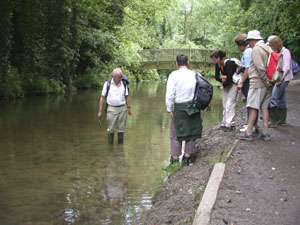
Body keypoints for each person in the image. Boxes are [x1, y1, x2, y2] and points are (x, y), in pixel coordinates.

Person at [236, 30, 273, 142]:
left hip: (258, 82)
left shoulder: (256, 49)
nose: (249, 44)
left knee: (253, 107)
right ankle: (265, 132)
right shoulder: (267, 48)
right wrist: (269, 82)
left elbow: (260, 67)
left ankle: (248, 132)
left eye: (249, 41)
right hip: (267, 83)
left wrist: (265, 81)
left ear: (252, 40)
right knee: (265, 107)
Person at [165, 54, 202, 166]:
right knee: (192, 133)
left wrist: (169, 108)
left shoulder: (173, 75)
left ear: (176, 63)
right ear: (188, 62)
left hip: (180, 108)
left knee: (176, 134)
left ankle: (175, 159)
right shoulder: (196, 75)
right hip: (194, 107)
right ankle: (187, 157)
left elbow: (170, 94)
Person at [97, 68, 132, 144]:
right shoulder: (107, 84)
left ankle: (120, 147)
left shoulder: (124, 83)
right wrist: (100, 111)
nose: (121, 78)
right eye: (120, 77)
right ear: (114, 77)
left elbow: (127, 96)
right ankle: (110, 148)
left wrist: (129, 108)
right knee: (111, 129)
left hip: (122, 108)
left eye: (121, 76)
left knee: (121, 129)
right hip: (111, 109)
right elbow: (102, 98)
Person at [233, 33, 258, 133]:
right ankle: (251, 124)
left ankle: (250, 125)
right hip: (250, 79)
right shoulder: (250, 50)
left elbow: (247, 68)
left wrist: (241, 82)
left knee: (250, 103)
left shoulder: (248, 52)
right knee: (250, 102)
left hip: (249, 80)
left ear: (240, 44)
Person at [268, 35, 293, 127]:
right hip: (281, 78)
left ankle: (273, 121)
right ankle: (282, 121)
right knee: (282, 99)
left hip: (284, 79)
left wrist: (280, 80)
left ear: (276, 44)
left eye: (272, 45)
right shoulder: (279, 52)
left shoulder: (285, 52)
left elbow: (286, 68)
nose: (272, 47)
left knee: (274, 98)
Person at [210, 50, 238, 132]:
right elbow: (216, 76)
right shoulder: (218, 65)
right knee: (224, 103)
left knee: (230, 103)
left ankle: (229, 124)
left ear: (219, 58)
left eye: (214, 59)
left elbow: (229, 78)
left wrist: (223, 80)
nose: (214, 61)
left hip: (233, 84)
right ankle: (224, 123)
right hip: (226, 84)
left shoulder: (229, 63)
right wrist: (223, 78)